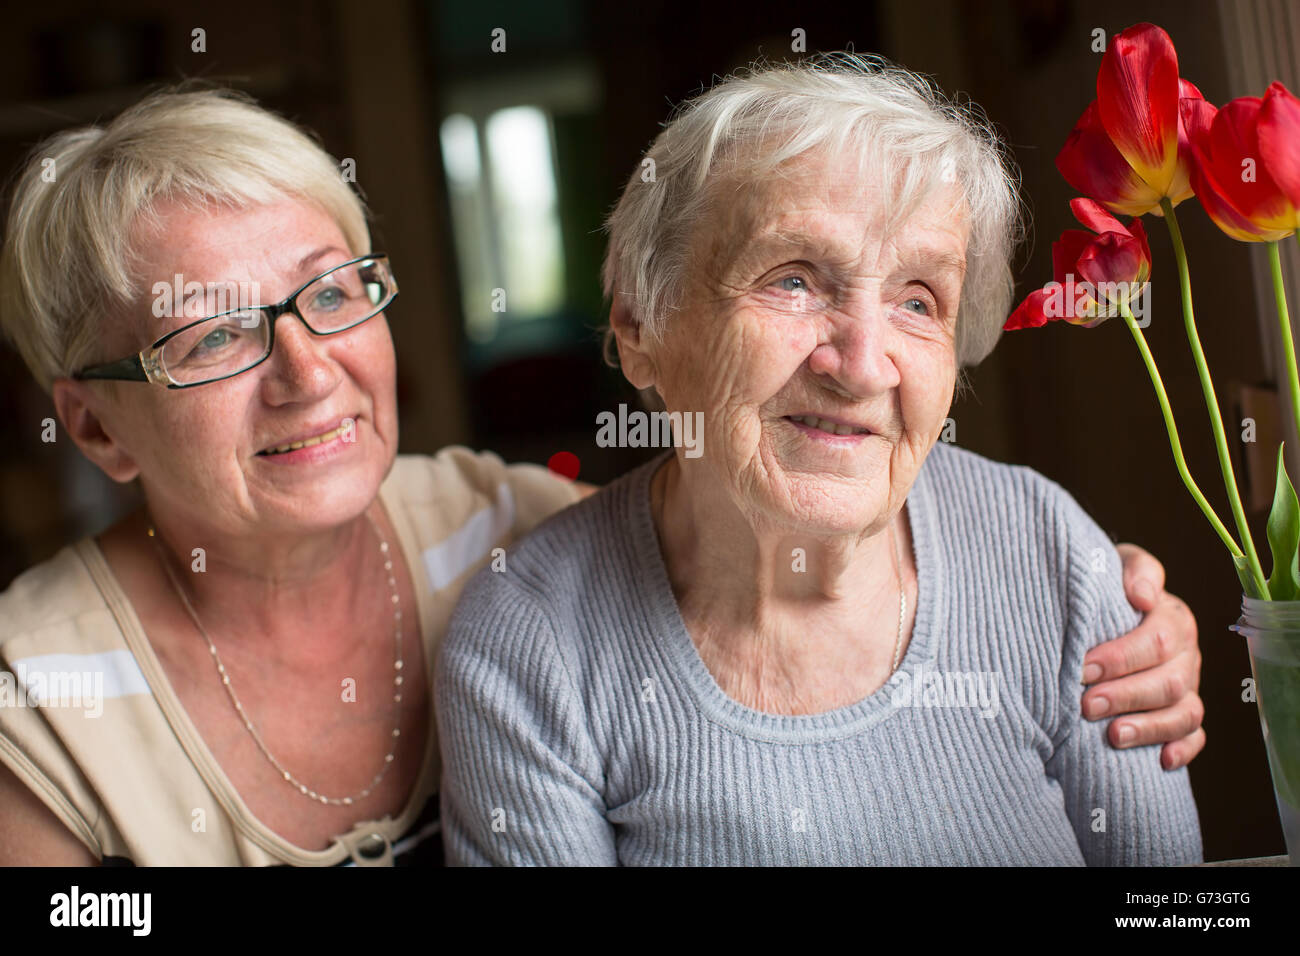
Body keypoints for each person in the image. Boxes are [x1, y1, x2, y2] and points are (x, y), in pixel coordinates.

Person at [436, 55, 1204, 865]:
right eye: (794, 281)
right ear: (640, 326)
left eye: (917, 299)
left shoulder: (1048, 552)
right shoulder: (528, 648)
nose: (864, 363)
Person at [0, 89, 585, 865]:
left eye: (332, 292)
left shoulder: (516, 525)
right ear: (97, 427)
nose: (308, 374)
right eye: (212, 337)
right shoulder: (36, 703)